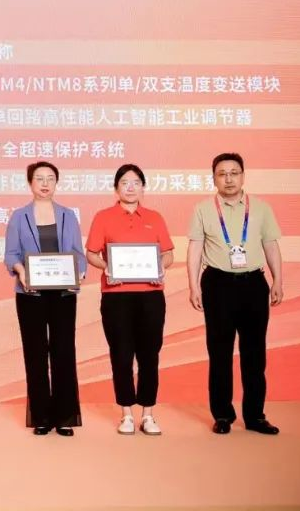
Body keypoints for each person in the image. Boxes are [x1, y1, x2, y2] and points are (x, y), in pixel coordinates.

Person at [187, 152, 283, 435]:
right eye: (222, 174)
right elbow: (195, 248)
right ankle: (223, 415)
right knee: (219, 352)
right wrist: (193, 285)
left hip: (253, 284)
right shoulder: (203, 209)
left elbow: (271, 245)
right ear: (214, 178)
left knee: (255, 353)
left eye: (234, 173)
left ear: (243, 175)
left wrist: (278, 280)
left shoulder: (261, 208)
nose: (228, 179)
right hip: (217, 284)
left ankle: (255, 416)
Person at [85, 164, 173, 436]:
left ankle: (148, 414)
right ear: (116, 188)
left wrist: (160, 269)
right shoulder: (103, 217)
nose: (130, 187)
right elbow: (92, 254)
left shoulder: (155, 217)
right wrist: (107, 268)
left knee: (149, 355)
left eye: (136, 182)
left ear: (143, 187)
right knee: (121, 355)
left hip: (151, 296)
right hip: (116, 297)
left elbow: (168, 254)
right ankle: (126, 413)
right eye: (125, 182)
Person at [4, 161, 87, 436]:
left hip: (63, 294)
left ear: (56, 183)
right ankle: (41, 416)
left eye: (50, 178)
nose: (45, 183)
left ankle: (64, 417)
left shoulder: (68, 215)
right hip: (30, 294)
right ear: (30, 183)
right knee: (35, 353)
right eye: (39, 178)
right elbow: (11, 254)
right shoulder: (19, 217)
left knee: (63, 352)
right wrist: (21, 271)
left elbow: (78, 252)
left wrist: (80, 271)